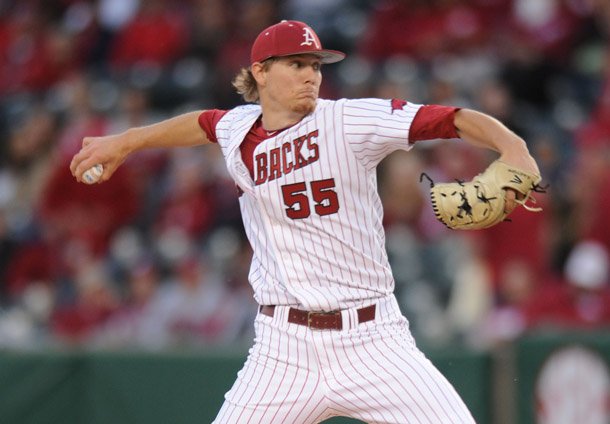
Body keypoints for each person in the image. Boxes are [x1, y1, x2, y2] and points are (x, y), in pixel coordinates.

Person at [70, 20, 540, 424]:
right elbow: (203, 123)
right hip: (283, 347)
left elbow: (448, 119)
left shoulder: (349, 121)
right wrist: (127, 141)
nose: (311, 75)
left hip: (373, 337)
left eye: (315, 65)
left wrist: (511, 144)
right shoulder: (239, 130)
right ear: (260, 71)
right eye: (296, 64)